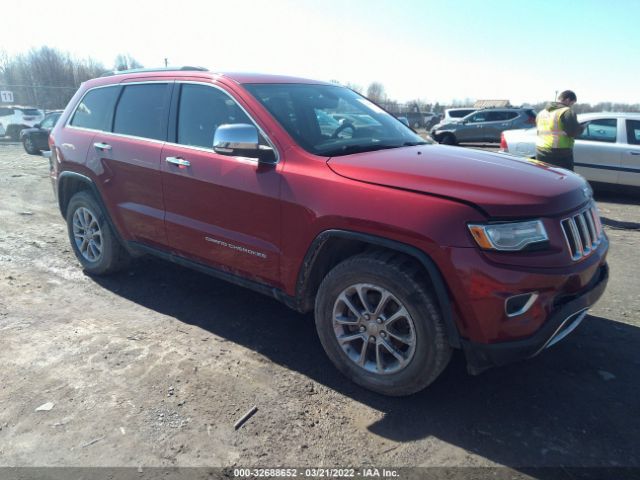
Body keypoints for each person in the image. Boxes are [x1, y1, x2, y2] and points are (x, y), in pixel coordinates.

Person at [535, 90, 583, 171]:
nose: (571, 106)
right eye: (572, 103)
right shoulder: (567, 111)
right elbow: (573, 131)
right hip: (559, 152)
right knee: (565, 178)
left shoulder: (542, 112)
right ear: (567, 100)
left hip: (540, 150)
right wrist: (582, 128)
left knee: (544, 176)